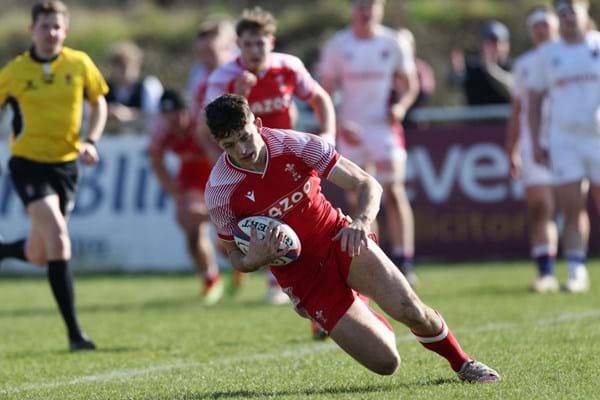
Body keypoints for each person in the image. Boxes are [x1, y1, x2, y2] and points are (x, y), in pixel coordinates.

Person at [204, 93, 500, 382]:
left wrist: (361, 221)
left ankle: (464, 363)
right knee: (387, 363)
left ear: (257, 124)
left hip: (340, 240)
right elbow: (234, 256)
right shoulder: (219, 191)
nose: (242, 149)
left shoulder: (296, 145)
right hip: (305, 282)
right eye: (230, 145)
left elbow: (367, 184)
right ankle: (358, 303)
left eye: (245, 137)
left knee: (409, 309)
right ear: (219, 144)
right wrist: (253, 260)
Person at [202, 6, 336, 305]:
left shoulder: (288, 66)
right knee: (261, 222)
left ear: (271, 42)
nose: (254, 50)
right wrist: (239, 93)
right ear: (238, 45)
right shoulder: (224, 77)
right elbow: (212, 125)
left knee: (310, 219)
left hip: (289, 158)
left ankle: (320, 284)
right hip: (248, 163)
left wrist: (328, 135)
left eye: (260, 43)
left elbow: (319, 97)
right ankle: (282, 283)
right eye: (247, 44)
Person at [0, 0, 108, 351]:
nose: (51, 33)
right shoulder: (14, 72)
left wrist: (91, 140)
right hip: (28, 164)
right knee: (59, 239)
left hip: (66, 167)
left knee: (39, 254)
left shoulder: (79, 64)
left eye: (57, 26)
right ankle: (75, 334)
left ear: (66, 30)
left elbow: (99, 101)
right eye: (45, 26)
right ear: (32, 30)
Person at [319, 0, 419, 285]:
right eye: (362, 5)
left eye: (372, 5)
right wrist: (339, 124)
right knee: (360, 198)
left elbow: (410, 85)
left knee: (394, 191)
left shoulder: (393, 42)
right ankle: (376, 261)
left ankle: (405, 261)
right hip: (351, 129)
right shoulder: (338, 45)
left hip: (384, 129)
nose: (367, 11)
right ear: (353, 9)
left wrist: (400, 107)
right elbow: (324, 93)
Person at [528, 0, 600, 293]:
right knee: (572, 206)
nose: (568, 16)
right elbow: (534, 100)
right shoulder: (547, 54)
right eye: (562, 12)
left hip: (597, 138)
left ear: (585, 11)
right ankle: (576, 270)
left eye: (572, 10)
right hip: (564, 141)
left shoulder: (597, 44)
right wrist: (536, 141)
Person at [148, 89, 223, 304]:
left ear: (187, 111)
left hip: (216, 176)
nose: (173, 121)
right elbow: (156, 161)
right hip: (190, 180)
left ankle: (230, 255)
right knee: (191, 230)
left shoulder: (203, 126)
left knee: (225, 232)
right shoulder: (162, 131)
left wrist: (203, 140)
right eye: (167, 116)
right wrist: (173, 189)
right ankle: (210, 278)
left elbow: (220, 158)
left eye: (177, 115)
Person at [506, 7, 560, 293]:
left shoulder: (572, 56)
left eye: (545, 25)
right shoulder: (524, 64)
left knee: (575, 206)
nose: (541, 30)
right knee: (541, 206)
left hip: (569, 141)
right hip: (533, 143)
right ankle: (546, 271)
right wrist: (512, 149)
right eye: (536, 26)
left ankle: (576, 267)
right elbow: (517, 111)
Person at [449, 20, 513, 105]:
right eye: (490, 43)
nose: (497, 48)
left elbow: (513, 88)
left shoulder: (513, 66)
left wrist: (492, 69)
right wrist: (457, 72)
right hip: (476, 114)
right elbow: (454, 83)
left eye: (499, 43)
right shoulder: (472, 66)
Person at [105, 41, 163, 131]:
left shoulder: (149, 85)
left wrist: (130, 114)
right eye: (119, 66)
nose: (125, 71)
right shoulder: (103, 87)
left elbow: (157, 115)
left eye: (127, 66)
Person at [186, 19, 236, 111]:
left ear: (227, 46)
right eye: (201, 53)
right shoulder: (198, 72)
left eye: (209, 52)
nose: (204, 58)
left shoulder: (238, 71)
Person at [398, 28, 436, 127]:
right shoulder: (388, 70)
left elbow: (424, 91)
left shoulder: (422, 69)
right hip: (393, 124)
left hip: (416, 124)